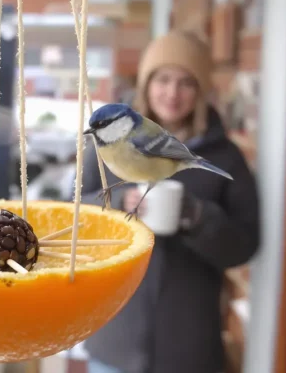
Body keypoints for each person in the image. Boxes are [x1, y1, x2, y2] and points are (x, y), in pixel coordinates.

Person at [78, 30, 261, 373]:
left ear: (201, 91)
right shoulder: (104, 145)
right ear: (146, 84)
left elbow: (245, 245)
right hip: (114, 338)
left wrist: (196, 216)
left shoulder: (226, 157)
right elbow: (73, 212)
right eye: (162, 79)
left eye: (186, 82)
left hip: (188, 347)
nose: (173, 93)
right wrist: (118, 200)